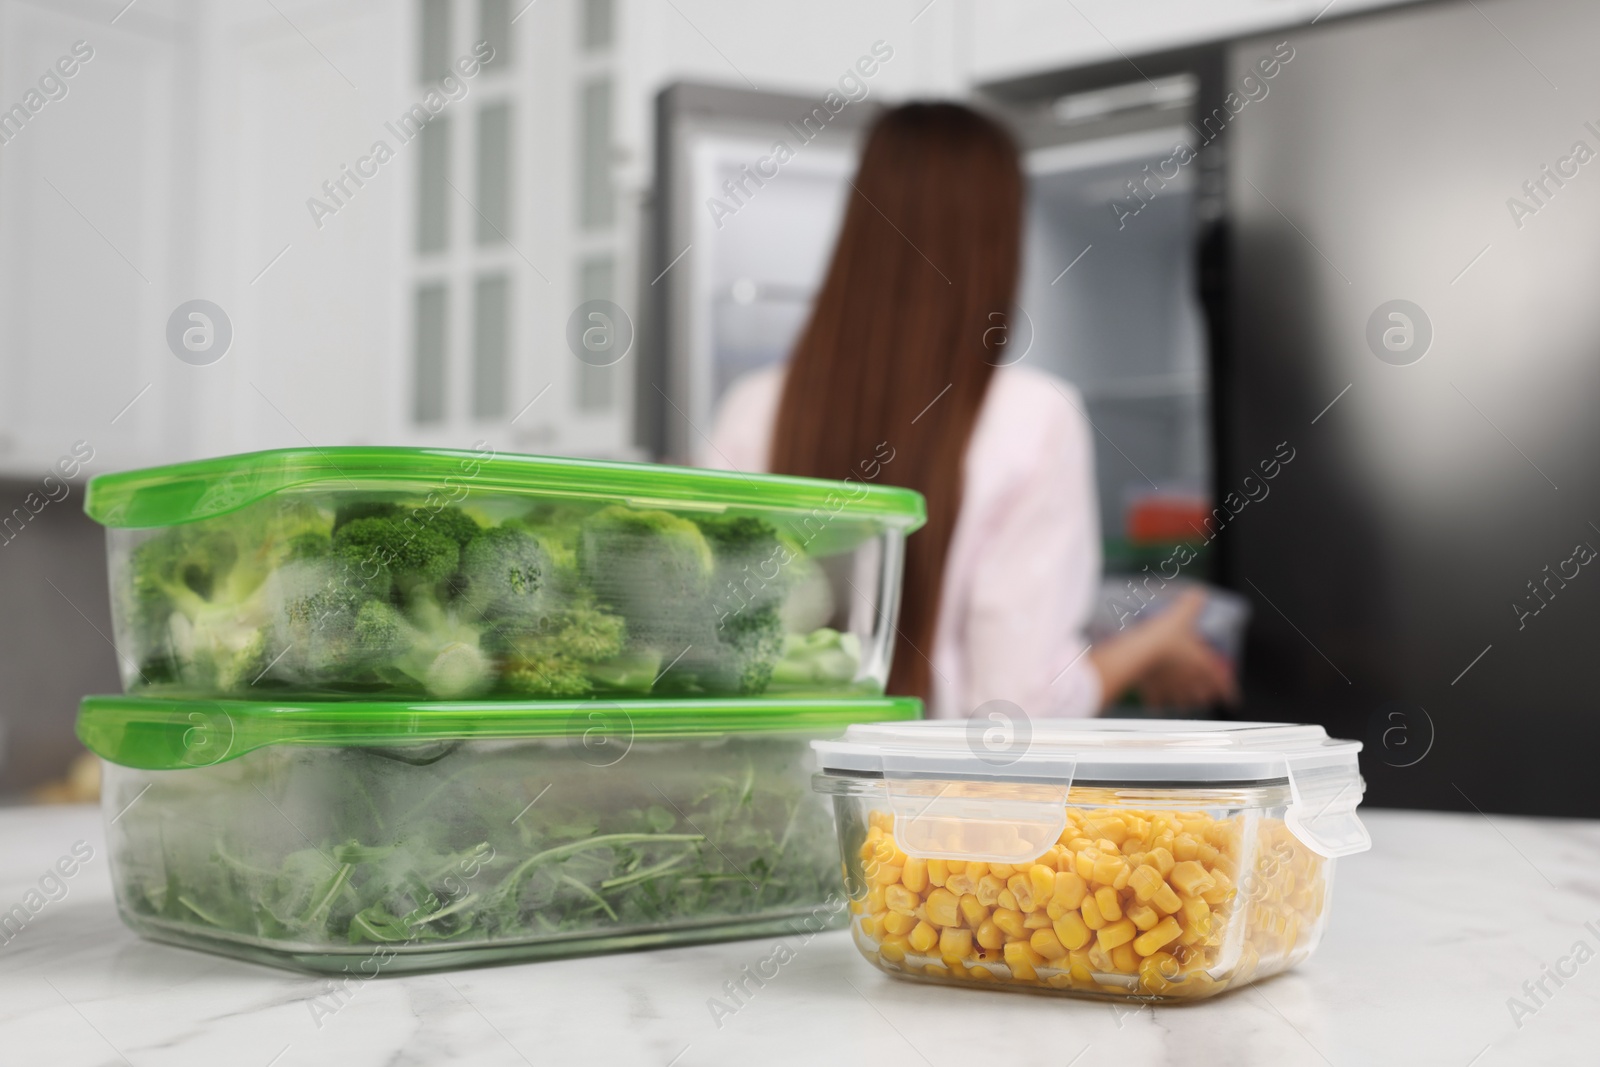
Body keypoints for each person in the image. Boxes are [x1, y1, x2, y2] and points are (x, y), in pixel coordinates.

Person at [707, 101, 1234, 718]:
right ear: (996, 241)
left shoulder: (752, 407)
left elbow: (717, 647)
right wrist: (1149, 646)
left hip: (776, 798)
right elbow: (1015, 706)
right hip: (935, 806)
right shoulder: (1037, 417)